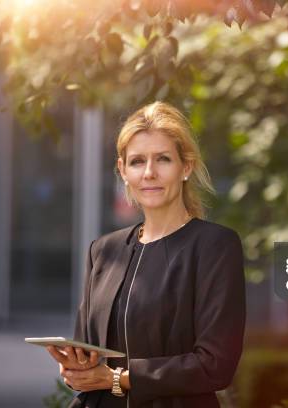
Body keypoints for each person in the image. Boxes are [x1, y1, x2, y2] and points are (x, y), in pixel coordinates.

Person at [45, 101, 246, 407]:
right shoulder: (103, 251)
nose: (149, 173)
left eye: (163, 159)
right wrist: (76, 367)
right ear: (123, 171)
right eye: (137, 162)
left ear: (186, 167)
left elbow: (215, 365)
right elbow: (88, 349)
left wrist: (116, 377)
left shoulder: (214, 246)